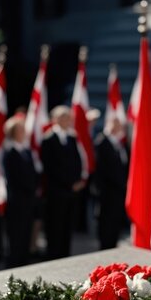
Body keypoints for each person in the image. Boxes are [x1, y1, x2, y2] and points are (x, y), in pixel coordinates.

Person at [41, 105, 85, 259]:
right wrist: (68, 183)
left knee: (67, 226)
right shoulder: (48, 139)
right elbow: (50, 167)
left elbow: (77, 161)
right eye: (63, 118)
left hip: (71, 192)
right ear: (55, 119)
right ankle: (53, 256)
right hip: (56, 191)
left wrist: (78, 180)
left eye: (68, 118)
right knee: (55, 226)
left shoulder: (71, 138)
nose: (67, 121)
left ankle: (65, 255)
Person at [2, 115, 38, 267]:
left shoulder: (26, 151)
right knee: (16, 233)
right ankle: (14, 261)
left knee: (26, 231)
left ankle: (24, 258)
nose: (24, 132)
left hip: (28, 199)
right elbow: (15, 177)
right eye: (20, 129)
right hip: (17, 200)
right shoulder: (9, 152)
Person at [94, 117, 129, 250]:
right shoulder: (102, 142)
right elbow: (102, 169)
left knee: (115, 221)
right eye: (116, 124)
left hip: (119, 191)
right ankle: (105, 247)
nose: (119, 127)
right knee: (106, 222)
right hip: (107, 191)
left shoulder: (120, 144)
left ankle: (113, 245)